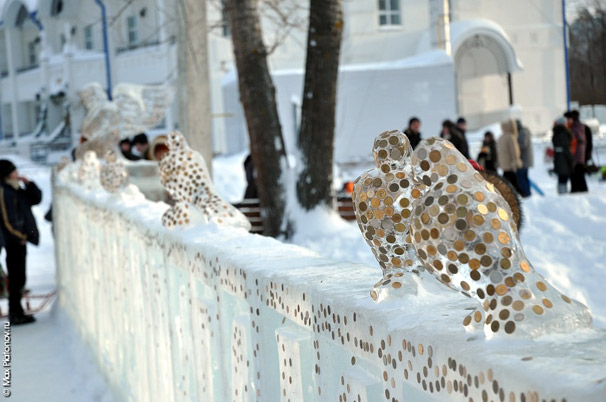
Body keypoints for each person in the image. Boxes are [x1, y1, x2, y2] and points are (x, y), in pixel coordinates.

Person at [0, 160, 42, 325]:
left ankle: (17, 311)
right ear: (6, 174)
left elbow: (36, 199)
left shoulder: (15, 188)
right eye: (14, 171)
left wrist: (29, 184)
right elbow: (7, 220)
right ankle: (15, 313)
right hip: (14, 241)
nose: (17, 174)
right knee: (16, 277)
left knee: (19, 277)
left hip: (20, 239)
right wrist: (20, 236)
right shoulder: (4, 191)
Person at [564, 111, 588, 192]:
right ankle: (580, 189)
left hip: (576, 154)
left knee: (576, 173)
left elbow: (572, 141)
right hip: (579, 154)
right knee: (578, 173)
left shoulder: (574, 128)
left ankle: (578, 189)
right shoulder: (579, 126)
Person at [497, 119, 523, 194]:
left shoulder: (501, 137)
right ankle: (519, 194)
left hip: (504, 164)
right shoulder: (511, 137)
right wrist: (516, 162)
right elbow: (514, 151)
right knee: (514, 182)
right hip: (510, 163)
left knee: (506, 180)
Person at [552, 117, 574, 194]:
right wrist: (571, 159)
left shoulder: (556, 133)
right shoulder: (564, 134)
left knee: (561, 176)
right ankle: (563, 193)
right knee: (563, 177)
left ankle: (561, 192)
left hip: (558, 158)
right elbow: (566, 148)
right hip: (564, 158)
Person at [515, 120, 533, 197]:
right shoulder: (524, 132)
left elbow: (523, 144)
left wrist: (515, 146)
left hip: (523, 159)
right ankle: (527, 193)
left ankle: (526, 193)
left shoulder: (522, 133)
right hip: (525, 159)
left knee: (521, 176)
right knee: (524, 176)